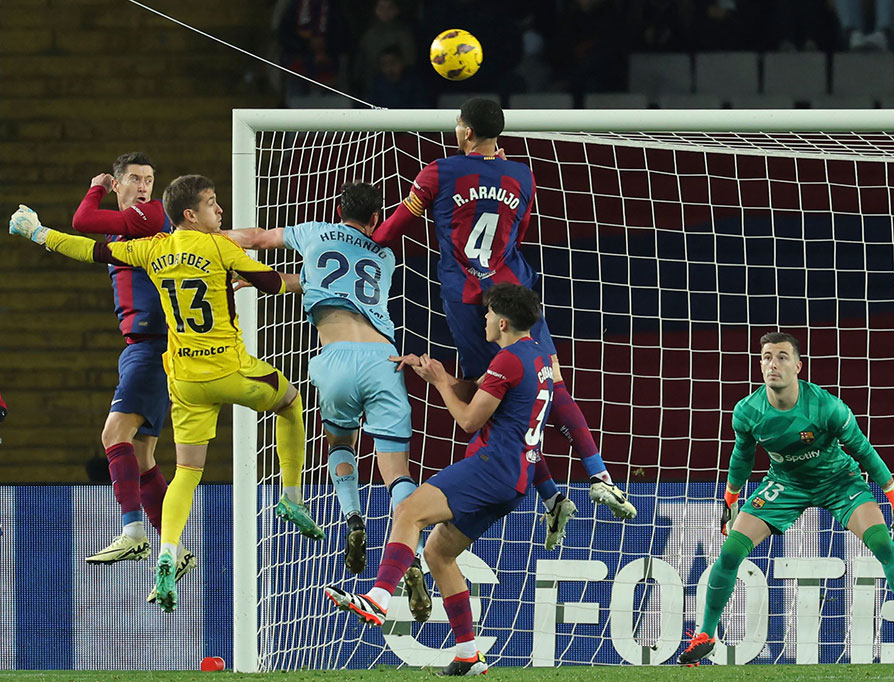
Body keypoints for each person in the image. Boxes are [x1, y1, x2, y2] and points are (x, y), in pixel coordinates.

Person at [10, 175, 324, 613]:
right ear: (191, 215)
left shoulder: (151, 248)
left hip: (185, 381)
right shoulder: (218, 246)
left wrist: (40, 233)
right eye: (214, 204)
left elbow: (91, 249)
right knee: (290, 401)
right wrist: (313, 279)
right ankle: (292, 499)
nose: (221, 212)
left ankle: (168, 551)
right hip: (229, 368)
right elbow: (273, 284)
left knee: (187, 473)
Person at [372, 97, 636, 552]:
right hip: (514, 295)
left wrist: (368, 241)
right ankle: (595, 476)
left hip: (469, 302)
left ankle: (552, 494)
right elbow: (518, 231)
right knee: (547, 384)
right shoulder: (523, 175)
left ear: (466, 132)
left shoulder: (438, 170)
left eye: (458, 123)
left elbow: (395, 226)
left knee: (489, 399)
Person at [225, 181, 431, 622]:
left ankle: (353, 518)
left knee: (339, 442)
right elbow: (330, 280)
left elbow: (258, 239)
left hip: (334, 359)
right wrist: (277, 282)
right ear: (376, 219)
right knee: (397, 473)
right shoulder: (385, 255)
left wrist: (208, 242)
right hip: (384, 359)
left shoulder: (315, 231)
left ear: (339, 209)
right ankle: (409, 556)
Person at [326, 283, 554, 677]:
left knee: (409, 511)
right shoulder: (538, 358)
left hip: (492, 467)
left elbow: (469, 420)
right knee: (438, 553)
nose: (482, 319)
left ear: (502, 322)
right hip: (517, 477)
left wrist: (437, 385)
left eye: (487, 315)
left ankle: (378, 599)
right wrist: (440, 374)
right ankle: (468, 652)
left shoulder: (508, 360)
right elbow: (483, 392)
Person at [677, 331, 894, 666]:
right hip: (785, 484)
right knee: (729, 553)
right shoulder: (747, 412)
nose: (774, 363)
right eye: (767, 356)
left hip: (839, 481)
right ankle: (706, 635)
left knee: (884, 547)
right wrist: (730, 500)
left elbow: (863, 450)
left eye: (782, 357)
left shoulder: (827, 407)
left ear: (798, 366)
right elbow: (741, 458)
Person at [70, 152, 198, 597]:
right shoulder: (128, 225)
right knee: (142, 460)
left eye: (150, 179)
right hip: (148, 347)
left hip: (153, 344)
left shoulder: (150, 214)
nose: (145, 186)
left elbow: (81, 220)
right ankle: (173, 547)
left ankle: (132, 533)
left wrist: (96, 186)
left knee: (113, 435)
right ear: (123, 183)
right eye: (137, 179)